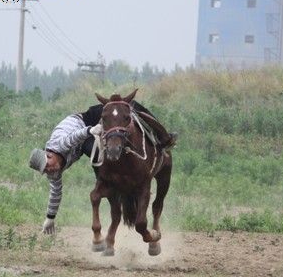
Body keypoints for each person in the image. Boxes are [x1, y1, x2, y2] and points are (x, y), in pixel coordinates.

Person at [29, 92, 176, 235]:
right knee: (99, 160)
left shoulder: (58, 144)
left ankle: (164, 137)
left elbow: (73, 138)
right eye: (46, 171)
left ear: (48, 154)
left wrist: (90, 130)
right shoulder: (54, 172)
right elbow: (55, 192)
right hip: (82, 142)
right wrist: (50, 217)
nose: (50, 170)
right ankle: (107, 183)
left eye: (48, 165)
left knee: (129, 107)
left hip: (85, 122)